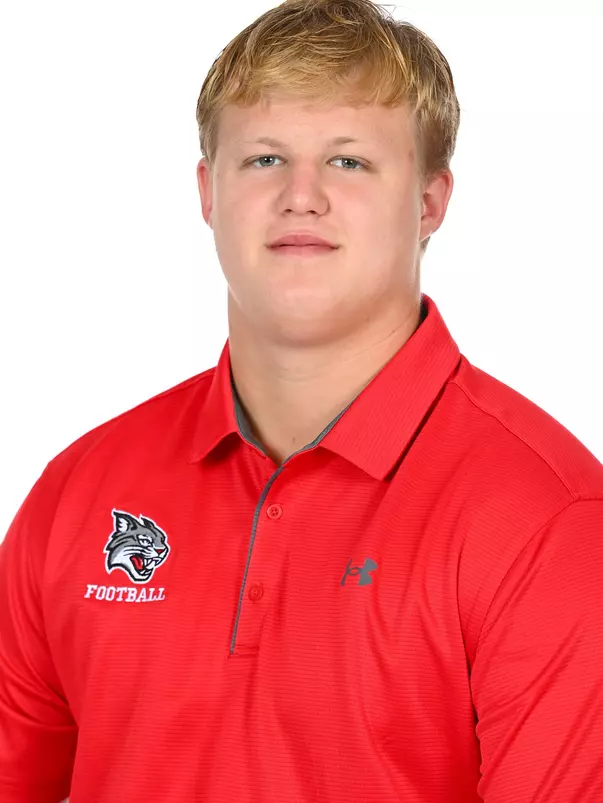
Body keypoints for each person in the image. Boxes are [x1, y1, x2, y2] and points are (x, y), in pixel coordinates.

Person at [1, 0, 602, 801]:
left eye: (349, 161)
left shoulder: (544, 519)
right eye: (263, 160)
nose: (301, 196)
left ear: (429, 202)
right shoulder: (78, 490)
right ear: (208, 192)